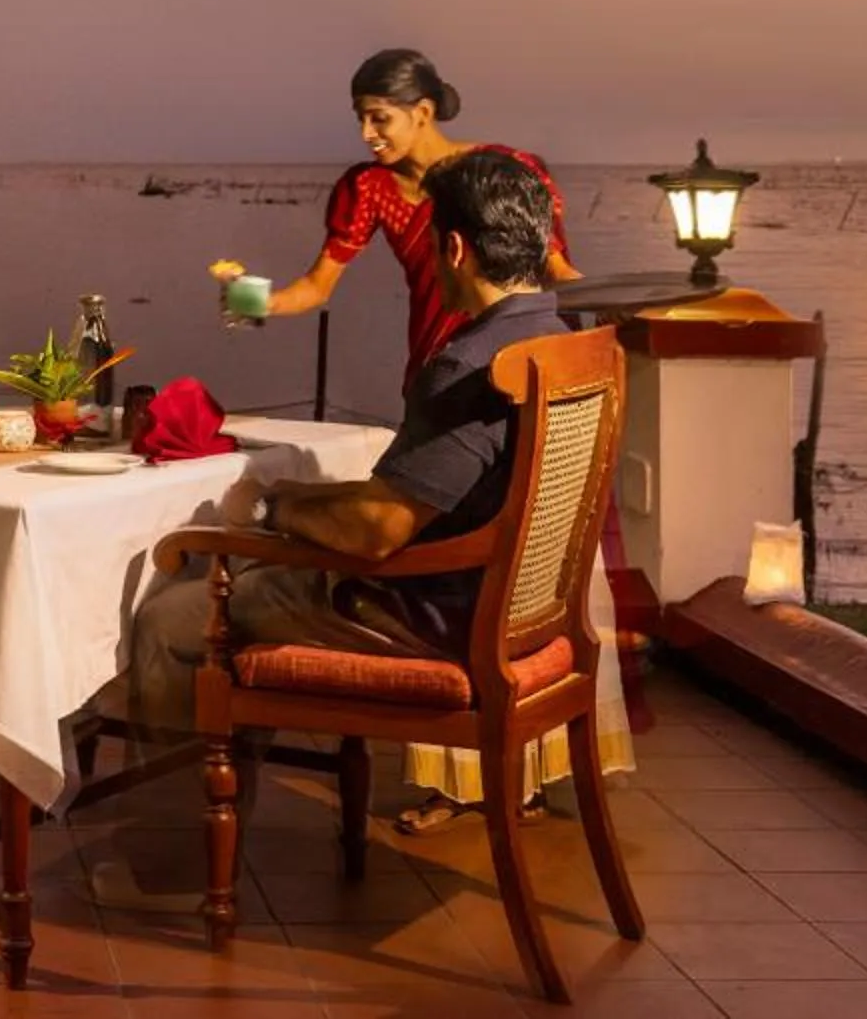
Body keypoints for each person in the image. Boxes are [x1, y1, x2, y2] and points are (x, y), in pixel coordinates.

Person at [210, 97, 632, 835]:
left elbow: (378, 530)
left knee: (203, 608)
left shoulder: (472, 367)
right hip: (526, 618)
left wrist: (269, 507)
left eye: (379, 116)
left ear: (457, 252)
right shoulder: (563, 347)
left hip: (445, 622)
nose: (368, 134)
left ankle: (197, 831)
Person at [220, 47, 580, 398]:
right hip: (438, 360)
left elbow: (555, 272)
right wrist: (254, 302)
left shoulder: (502, 171)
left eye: (379, 118)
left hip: (522, 356)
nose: (366, 134)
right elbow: (317, 287)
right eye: (360, 118)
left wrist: (618, 311)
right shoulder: (367, 188)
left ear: (422, 112)